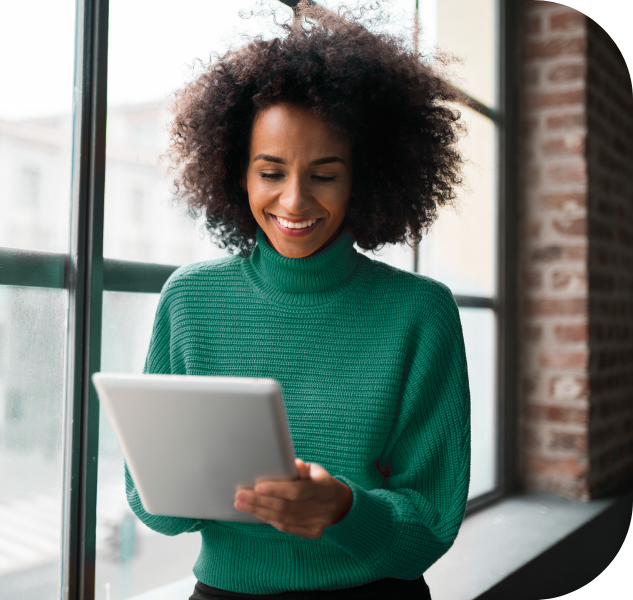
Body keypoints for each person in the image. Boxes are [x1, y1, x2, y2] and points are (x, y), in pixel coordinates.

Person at [125, 2, 471, 599]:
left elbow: (430, 527)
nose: (294, 200)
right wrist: (170, 490)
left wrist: (343, 510)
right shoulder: (190, 300)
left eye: (325, 174)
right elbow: (156, 511)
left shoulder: (420, 314)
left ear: (365, 177)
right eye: (271, 171)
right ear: (236, 173)